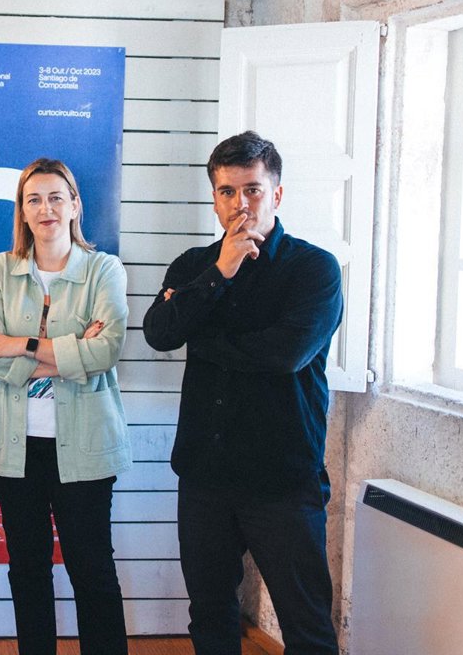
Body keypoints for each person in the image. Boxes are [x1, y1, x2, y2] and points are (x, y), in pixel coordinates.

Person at [142, 131, 342, 655]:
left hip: (283, 478)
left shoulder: (314, 269)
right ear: (214, 198)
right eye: (227, 191)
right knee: (210, 616)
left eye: (252, 189)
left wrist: (202, 335)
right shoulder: (194, 266)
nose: (240, 204)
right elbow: (159, 333)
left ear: (277, 193)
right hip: (205, 474)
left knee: (307, 626)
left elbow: (285, 355)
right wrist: (220, 273)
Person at [0, 157, 131, 655]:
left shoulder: (103, 270)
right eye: (34, 199)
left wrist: (20, 344)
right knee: (28, 569)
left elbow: (106, 351)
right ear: (22, 211)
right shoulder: (1, 270)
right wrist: (71, 353)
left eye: (56, 197)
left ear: (75, 205)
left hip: (84, 448)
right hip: (13, 448)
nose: (46, 209)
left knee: (92, 570)